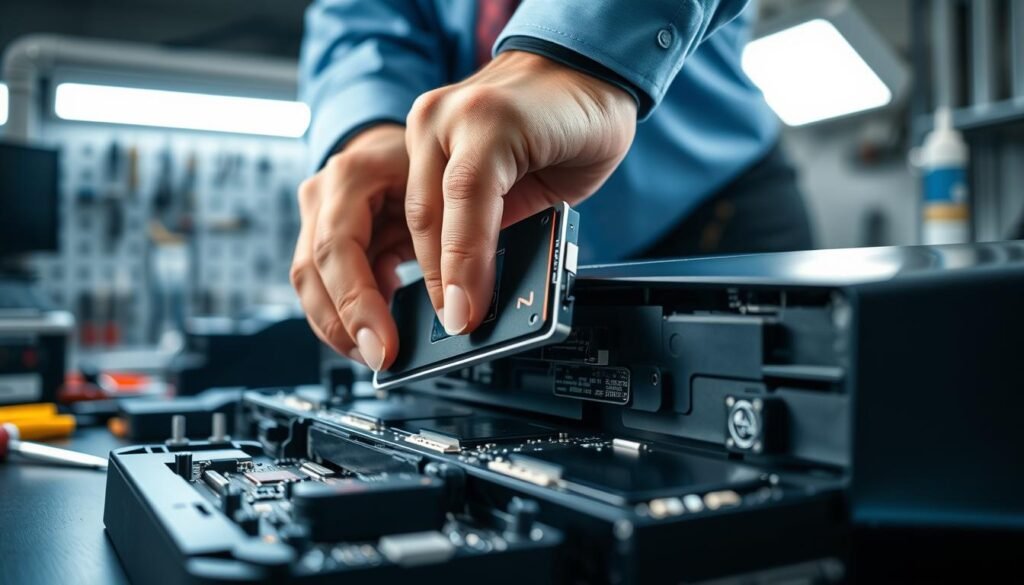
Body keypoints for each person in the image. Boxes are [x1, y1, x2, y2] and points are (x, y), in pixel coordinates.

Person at [292, 0, 813, 372]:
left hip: (711, 204)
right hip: (517, 262)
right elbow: (362, 23)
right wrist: (369, 129)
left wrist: (582, 50)